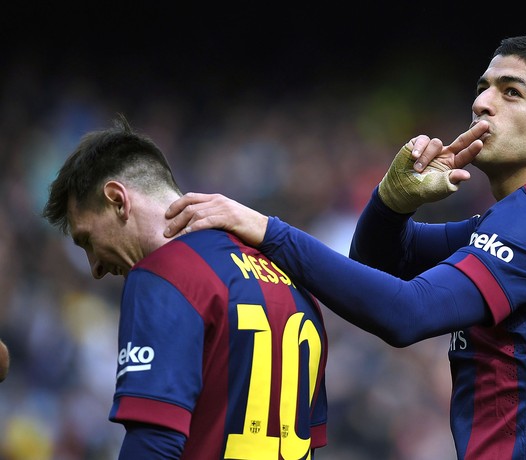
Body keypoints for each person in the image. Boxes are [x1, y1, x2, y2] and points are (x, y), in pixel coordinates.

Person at [163, 35, 526, 459]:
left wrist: (266, 229)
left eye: (511, 92)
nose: (482, 103)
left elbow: (406, 313)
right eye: (483, 87)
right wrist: (391, 203)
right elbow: (382, 264)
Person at [41, 114, 329, 460]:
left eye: (87, 240)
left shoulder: (161, 276)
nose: (96, 268)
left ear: (118, 200)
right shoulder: (292, 281)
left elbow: (154, 443)